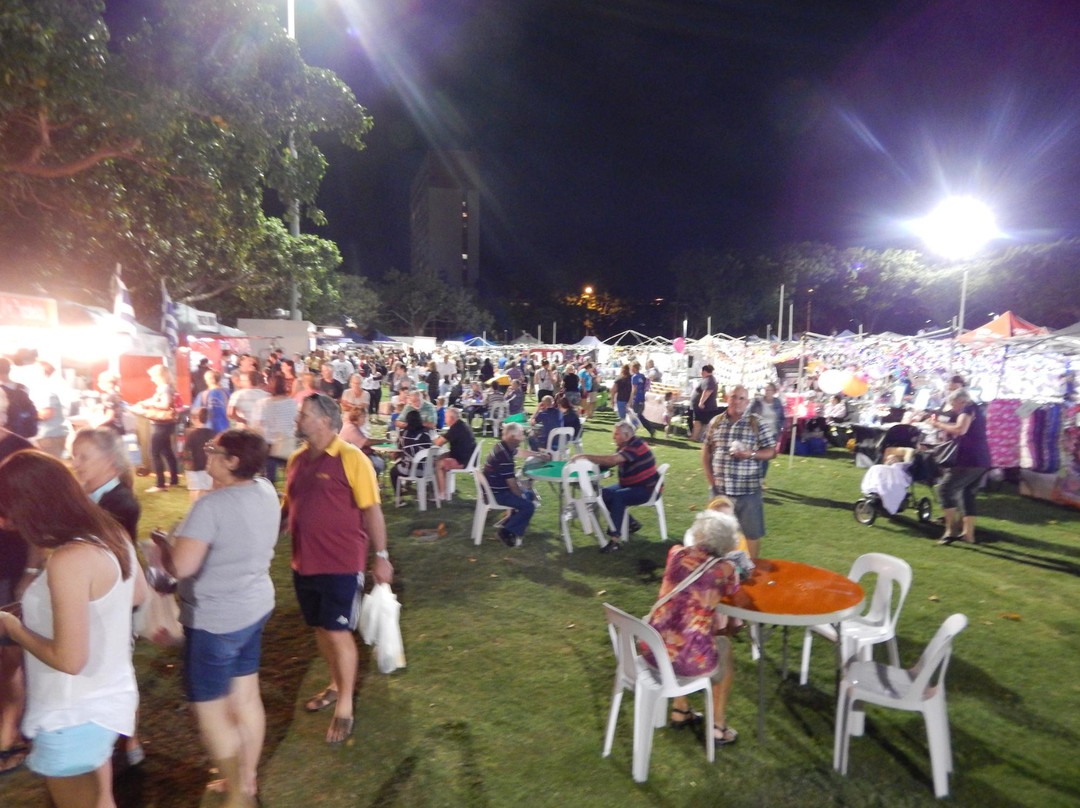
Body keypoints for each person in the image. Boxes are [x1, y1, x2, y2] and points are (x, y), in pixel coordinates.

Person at [0, 451, 147, 808]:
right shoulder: (108, 531)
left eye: (7, 512)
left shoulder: (70, 559)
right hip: (106, 701)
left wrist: (13, 627)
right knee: (101, 798)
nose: (6, 523)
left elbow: (70, 659)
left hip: (70, 714)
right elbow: (137, 593)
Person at [153, 429, 278, 807]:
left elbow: (182, 567)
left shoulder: (211, 506)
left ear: (233, 461)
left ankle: (238, 795)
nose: (205, 456)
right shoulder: (266, 490)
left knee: (210, 711)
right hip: (253, 608)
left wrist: (164, 545)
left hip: (216, 620)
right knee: (246, 696)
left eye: (213, 451)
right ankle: (247, 775)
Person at [283, 393, 392, 745]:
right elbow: (289, 509)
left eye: (304, 414)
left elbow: (372, 510)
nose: (297, 419)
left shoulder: (351, 458)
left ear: (325, 421)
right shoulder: (297, 460)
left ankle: (344, 705)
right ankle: (334, 683)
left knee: (339, 631)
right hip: (304, 562)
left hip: (341, 562)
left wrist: (382, 554)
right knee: (320, 628)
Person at [643, 510, 742, 746]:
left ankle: (681, 709)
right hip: (685, 661)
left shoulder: (675, 554)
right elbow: (732, 591)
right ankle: (718, 725)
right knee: (723, 646)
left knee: (678, 634)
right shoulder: (723, 570)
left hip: (651, 650)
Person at [701, 386, 777, 560]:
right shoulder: (716, 422)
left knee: (752, 533)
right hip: (720, 491)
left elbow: (772, 452)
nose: (737, 401)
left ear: (747, 402)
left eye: (742, 398)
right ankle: (718, 571)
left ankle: (751, 568)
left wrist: (750, 454)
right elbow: (706, 451)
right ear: (727, 398)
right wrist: (711, 481)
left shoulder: (756, 423)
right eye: (734, 397)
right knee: (715, 535)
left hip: (748, 491)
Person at [0, 407, 33, 775]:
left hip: (7, 567)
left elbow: (32, 513)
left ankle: (9, 736)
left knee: (9, 657)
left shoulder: (20, 450)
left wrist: (30, 570)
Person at [579, 421, 660, 553]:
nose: (613, 436)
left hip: (647, 489)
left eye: (616, 434)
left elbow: (612, 460)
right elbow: (611, 462)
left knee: (618, 497)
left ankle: (614, 541)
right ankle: (631, 523)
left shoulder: (635, 446)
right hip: (634, 484)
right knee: (603, 494)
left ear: (627, 435)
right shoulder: (627, 445)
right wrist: (591, 468)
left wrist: (585, 457)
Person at [933, 388, 991, 545]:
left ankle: (950, 531)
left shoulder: (967, 408)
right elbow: (962, 425)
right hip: (981, 460)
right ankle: (968, 534)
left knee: (944, 489)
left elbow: (960, 429)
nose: (952, 408)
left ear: (961, 401)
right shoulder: (976, 409)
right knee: (966, 494)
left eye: (953, 404)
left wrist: (938, 424)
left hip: (969, 460)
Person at [482, 422, 539, 547]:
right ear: (512, 437)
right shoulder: (504, 457)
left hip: (494, 489)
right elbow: (512, 484)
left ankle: (510, 523)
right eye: (520, 435)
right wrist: (521, 496)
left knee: (529, 495)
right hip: (497, 494)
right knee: (529, 506)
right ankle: (505, 532)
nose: (523, 438)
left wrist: (538, 455)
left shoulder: (502, 446)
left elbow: (519, 452)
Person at [132, 364, 180, 492]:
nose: (152, 379)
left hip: (161, 424)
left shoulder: (164, 388)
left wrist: (148, 403)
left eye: (153, 376)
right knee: (167, 452)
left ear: (159, 376)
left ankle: (160, 484)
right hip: (167, 424)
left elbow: (165, 404)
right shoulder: (168, 387)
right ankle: (174, 479)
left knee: (155, 453)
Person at [433, 407, 476, 501]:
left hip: (462, 460)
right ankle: (446, 488)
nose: (445, 419)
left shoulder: (455, 429)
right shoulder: (462, 425)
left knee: (438, 464)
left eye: (446, 417)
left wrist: (434, 438)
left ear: (451, 418)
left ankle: (442, 493)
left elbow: (438, 443)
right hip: (467, 456)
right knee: (439, 457)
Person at [389, 410, 433, 497]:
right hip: (426, 469)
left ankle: (399, 498)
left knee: (393, 471)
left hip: (409, 469)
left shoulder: (404, 434)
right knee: (407, 460)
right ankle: (432, 493)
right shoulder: (426, 433)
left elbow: (399, 448)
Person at [749, 382, 787, 482]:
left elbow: (782, 417)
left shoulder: (777, 402)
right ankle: (753, 477)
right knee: (755, 456)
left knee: (766, 458)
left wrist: (781, 428)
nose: (767, 392)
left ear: (774, 392)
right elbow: (747, 413)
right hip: (758, 433)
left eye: (769, 390)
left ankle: (761, 479)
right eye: (765, 390)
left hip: (772, 434)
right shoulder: (757, 401)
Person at [31, 361, 69, 458]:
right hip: (55, 434)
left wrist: (29, 415)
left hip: (49, 436)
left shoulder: (44, 389)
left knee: (49, 467)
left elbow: (47, 413)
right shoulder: (51, 386)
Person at [339, 406, 385, 476]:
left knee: (378, 460)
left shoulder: (351, 425)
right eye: (363, 417)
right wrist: (383, 441)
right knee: (379, 463)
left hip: (350, 457)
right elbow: (365, 442)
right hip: (348, 460)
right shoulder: (351, 428)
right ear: (357, 417)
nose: (365, 419)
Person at [182, 407, 215, 502]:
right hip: (208, 467)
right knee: (207, 490)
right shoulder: (213, 433)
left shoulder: (191, 434)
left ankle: (194, 510)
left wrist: (187, 466)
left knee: (194, 490)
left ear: (195, 418)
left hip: (194, 468)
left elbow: (186, 452)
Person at [194, 370, 230, 435]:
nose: (205, 381)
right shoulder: (226, 393)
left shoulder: (203, 394)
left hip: (208, 429)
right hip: (225, 428)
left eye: (206, 379)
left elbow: (196, 411)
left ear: (212, 380)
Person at [690, 365, 721, 442]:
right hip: (703, 407)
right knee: (697, 421)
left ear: (704, 371)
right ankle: (695, 437)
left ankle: (698, 437)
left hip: (705, 407)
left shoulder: (709, 380)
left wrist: (701, 402)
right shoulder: (709, 379)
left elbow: (707, 391)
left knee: (701, 422)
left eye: (702, 372)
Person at [630, 361, 661, 438]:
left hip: (636, 399)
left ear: (634, 368)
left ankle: (632, 432)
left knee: (635, 416)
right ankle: (650, 430)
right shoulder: (642, 376)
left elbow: (634, 389)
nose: (630, 369)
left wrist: (630, 399)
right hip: (642, 398)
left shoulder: (634, 377)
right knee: (639, 416)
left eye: (631, 367)